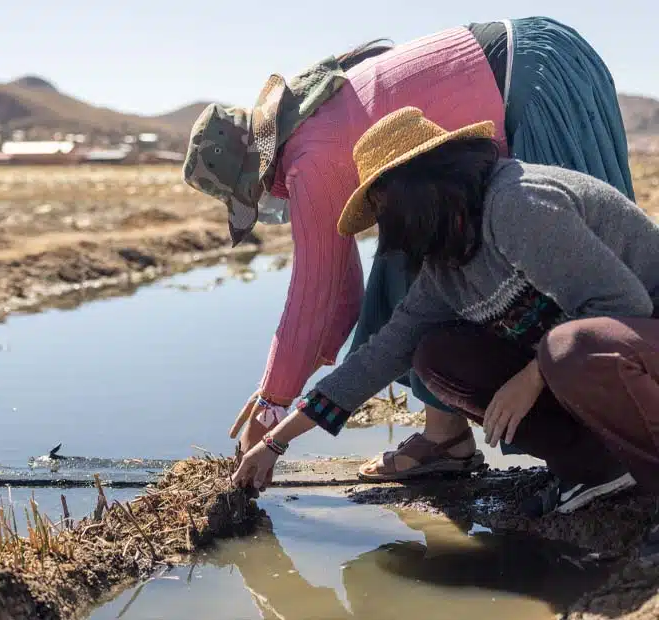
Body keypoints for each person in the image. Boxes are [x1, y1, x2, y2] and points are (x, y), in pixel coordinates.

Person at [183, 17, 634, 483]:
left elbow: (320, 296)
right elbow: (385, 349)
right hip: (537, 60)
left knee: (573, 286)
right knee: (423, 309)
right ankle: (457, 437)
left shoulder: (514, 203)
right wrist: (279, 434)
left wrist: (272, 402)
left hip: (536, 79)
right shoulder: (319, 119)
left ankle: (615, 448)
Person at [231, 107, 659, 517]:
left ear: (415, 190)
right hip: (601, 365)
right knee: (438, 358)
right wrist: (275, 442)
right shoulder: (446, 265)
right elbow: (379, 357)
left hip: (643, 341)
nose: (385, 224)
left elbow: (622, 305)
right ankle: (594, 468)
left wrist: (533, 376)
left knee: (565, 348)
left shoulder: (518, 205)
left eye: (382, 207)